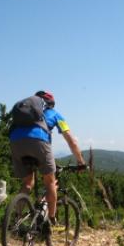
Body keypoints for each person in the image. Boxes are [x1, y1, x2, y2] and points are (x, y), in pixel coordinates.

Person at [9, 90, 86, 227]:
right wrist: (80, 161)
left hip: (15, 141)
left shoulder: (27, 111)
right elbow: (71, 141)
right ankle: (50, 221)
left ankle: (16, 219)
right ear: (52, 104)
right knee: (50, 182)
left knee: (27, 183)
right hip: (38, 141)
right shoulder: (55, 114)